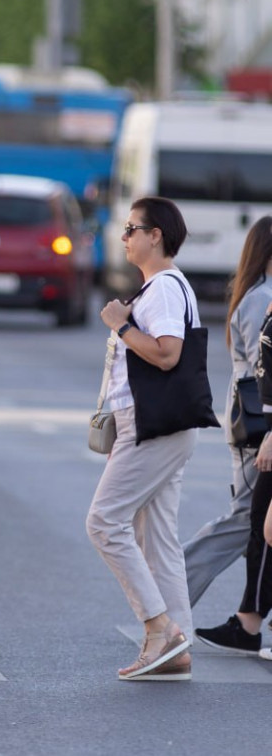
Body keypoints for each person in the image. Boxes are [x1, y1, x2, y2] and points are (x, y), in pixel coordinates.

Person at [88, 197, 200, 681]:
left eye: (133, 228)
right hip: (159, 425)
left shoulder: (164, 290)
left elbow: (168, 354)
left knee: (104, 521)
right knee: (155, 538)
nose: (125, 236)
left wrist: (122, 325)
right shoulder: (162, 287)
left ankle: (160, 629)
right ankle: (176, 646)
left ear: (157, 235)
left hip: (154, 426)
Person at [188, 217, 272, 653]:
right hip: (259, 422)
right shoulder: (261, 299)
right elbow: (267, 370)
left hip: (257, 418)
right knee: (249, 519)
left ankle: (248, 617)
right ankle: (171, 589)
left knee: (256, 520)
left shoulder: (259, 294)